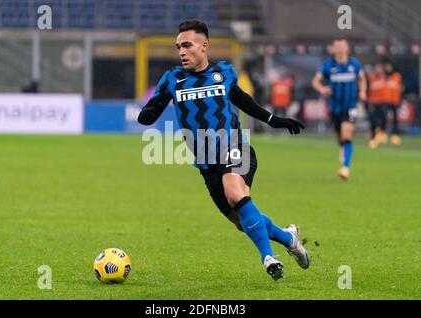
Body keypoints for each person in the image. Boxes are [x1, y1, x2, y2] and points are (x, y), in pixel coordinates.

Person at [137, 20, 310, 281]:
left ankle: (268, 257)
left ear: (204, 46)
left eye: (187, 45)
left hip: (236, 147)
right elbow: (148, 115)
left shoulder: (224, 73)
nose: (182, 51)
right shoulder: (173, 79)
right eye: (178, 47)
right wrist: (149, 112)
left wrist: (276, 120)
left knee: (234, 190)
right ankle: (288, 237)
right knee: (242, 221)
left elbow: (244, 101)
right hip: (206, 164)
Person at [312, 38, 367, 180]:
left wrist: (362, 92)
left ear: (347, 48)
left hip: (350, 106)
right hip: (334, 107)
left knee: (347, 135)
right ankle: (344, 151)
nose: (341, 49)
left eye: (343, 46)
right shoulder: (328, 65)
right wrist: (322, 89)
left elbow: (362, 79)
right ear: (334, 49)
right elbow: (315, 82)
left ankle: (345, 168)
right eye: (338, 47)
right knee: (340, 138)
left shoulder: (354, 63)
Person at [366, 63, 387, 148]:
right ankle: (373, 138)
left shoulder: (384, 77)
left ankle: (381, 135)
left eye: (380, 68)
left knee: (383, 119)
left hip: (382, 102)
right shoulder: (370, 78)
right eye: (377, 68)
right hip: (373, 102)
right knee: (373, 121)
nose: (378, 70)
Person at [383, 62, 403, 145]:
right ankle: (382, 134)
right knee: (384, 118)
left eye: (389, 66)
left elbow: (400, 88)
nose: (388, 68)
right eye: (386, 66)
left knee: (395, 119)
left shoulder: (397, 76)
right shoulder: (384, 76)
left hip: (395, 101)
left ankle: (395, 134)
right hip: (386, 100)